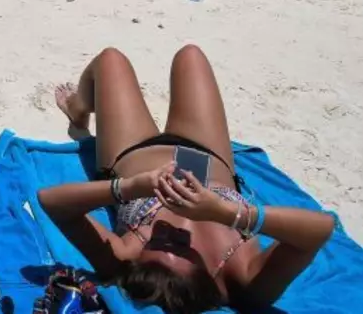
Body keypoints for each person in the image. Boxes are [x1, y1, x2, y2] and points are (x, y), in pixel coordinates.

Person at [43, 46, 335, 314]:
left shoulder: (127, 259)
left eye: (155, 241)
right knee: (191, 55)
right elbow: (319, 229)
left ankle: (78, 110)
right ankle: (82, 107)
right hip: (207, 154)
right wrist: (225, 213)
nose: (166, 230)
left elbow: (52, 202)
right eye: (179, 245)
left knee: (110, 60)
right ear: (205, 276)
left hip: (134, 154)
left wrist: (132, 187)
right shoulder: (245, 277)